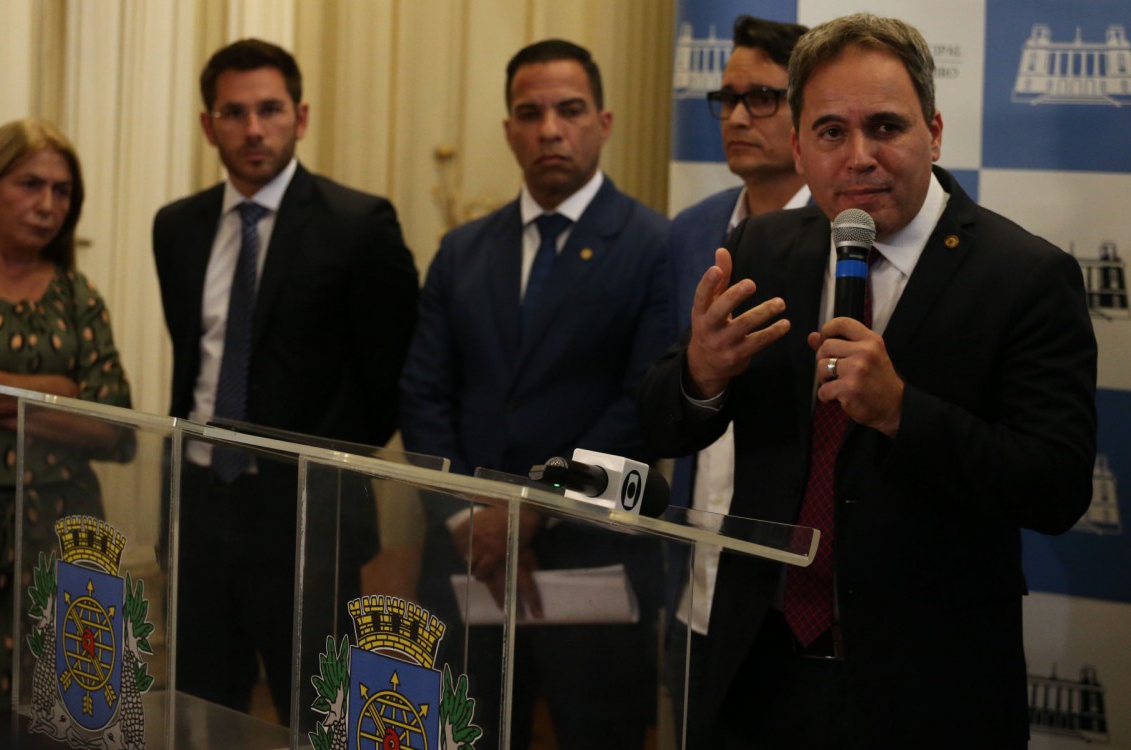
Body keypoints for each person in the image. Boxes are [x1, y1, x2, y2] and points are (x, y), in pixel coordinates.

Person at [637, 13, 1097, 748]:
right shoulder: (761, 246)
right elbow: (663, 421)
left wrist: (901, 413)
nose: (860, 157)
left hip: (928, 692)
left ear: (935, 131)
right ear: (798, 146)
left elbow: (1057, 485)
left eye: (886, 126)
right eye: (830, 133)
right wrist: (701, 371)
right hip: (760, 674)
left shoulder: (1025, 278)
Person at [400, 39, 671, 749]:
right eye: (531, 112)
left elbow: (642, 408)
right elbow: (423, 393)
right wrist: (467, 517)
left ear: (604, 123)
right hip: (468, 559)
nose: (551, 128)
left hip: (591, 556)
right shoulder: (462, 250)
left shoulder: (655, 245)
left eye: (570, 110)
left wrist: (532, 509)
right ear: (509, 131)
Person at [153, 38, 418, 722]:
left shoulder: (359, 225)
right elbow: (196, 366)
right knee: (200, 705)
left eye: (269, 109)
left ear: (300, 117)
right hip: (202, 507)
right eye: (233, 113)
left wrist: (323, 475)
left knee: (318, 711)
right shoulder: (177, 228)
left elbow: (391, 379)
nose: (252, 129)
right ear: (209, 124)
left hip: (310, 518)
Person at [0, 119, 132, 717]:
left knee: (71, 713)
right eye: (30, 184)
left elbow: (114, 425)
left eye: (62, 191)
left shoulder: (77, 294)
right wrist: (59, 391)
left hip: (67, 531)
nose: (47, 205)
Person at [663, 15, 809, 746]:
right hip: (692, 592)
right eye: (727, 98)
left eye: (762, 97)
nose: (739, 117)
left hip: (798, 610)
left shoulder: (849, 235)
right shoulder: (689, 232)